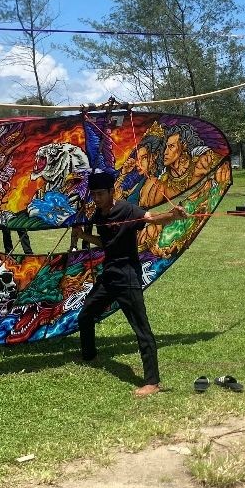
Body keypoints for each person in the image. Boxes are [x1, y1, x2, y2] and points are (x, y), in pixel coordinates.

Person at [72, 170, 188, 397]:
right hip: (109, 276)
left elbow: (151, 219)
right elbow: (105, 243)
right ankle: (89, 355)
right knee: (85, 315)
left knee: (141, 329)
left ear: (111, 192)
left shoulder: (126, 209)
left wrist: (172, 216)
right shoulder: (99, 214)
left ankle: (152, 382)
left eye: (100, 194)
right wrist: (83, 236)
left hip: (127, 277)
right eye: (93, 194)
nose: (96, 198)